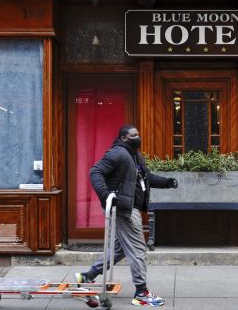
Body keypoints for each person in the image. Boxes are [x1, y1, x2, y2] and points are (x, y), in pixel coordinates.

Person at [75, 124, 178, 307]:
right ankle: (141, 292)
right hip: (124, 209)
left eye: (138, 134)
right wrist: (106, 195)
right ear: (123, 138)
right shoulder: (118, 153)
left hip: (129, 208)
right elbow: (95, 172)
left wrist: (167, 182)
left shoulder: (134, 155)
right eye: (133, 135)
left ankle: (87, 276)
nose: (137, 137)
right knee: (138, 248)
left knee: (119, 249)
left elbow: (146, 178)